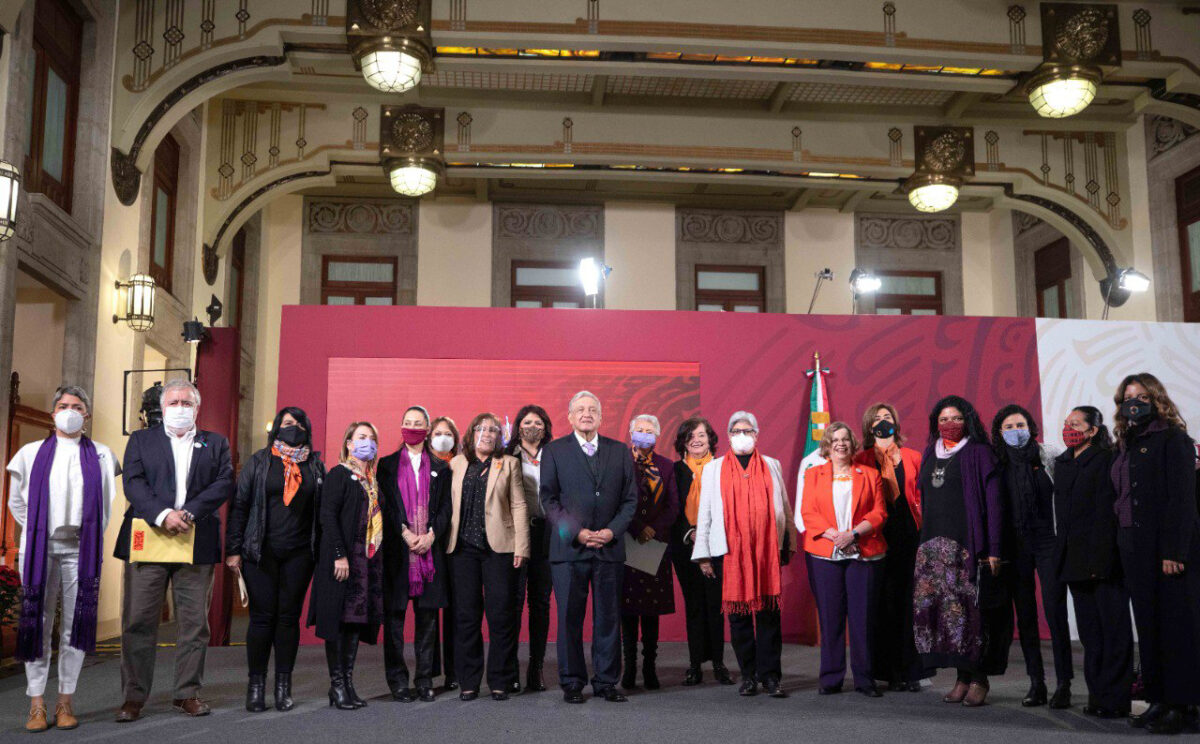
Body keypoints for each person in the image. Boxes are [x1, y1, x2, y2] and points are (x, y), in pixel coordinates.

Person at [115, 379, 234, 722]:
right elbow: (133, 483)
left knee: (195, 624)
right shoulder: (141, 440)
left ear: (197, 408)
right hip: (149, 538)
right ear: (163, 408)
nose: (180, 407)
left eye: (186, 402)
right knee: (138, 622)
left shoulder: (215, 443)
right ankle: (133, 698)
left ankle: (187, 694)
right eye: (174, 402)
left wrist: (189, 512)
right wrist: (164, 514)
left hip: (195, 540)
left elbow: (223, 482)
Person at [7, 386, 116, 732]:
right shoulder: (30, 453)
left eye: (77, 406)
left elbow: (106, 506)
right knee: (37, 622)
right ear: (53, 412)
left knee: (74, 626)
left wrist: (86, 537)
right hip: (41, 549)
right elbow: (15, 503)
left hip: (80, 550)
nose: (70, 410)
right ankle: (36, 704)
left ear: (86, 414)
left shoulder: (101, 454)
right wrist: (39, 531)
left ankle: (65, 701)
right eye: (63, 405)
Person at [1111, 373, 1200, 734]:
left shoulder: (1174, 439)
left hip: (1167, 551)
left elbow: (1182, 501)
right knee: (1147, 629)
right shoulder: (1126, 443)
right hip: (1133, 548)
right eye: (1128, 397)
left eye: (1142, 396)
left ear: (1156, 398)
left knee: (1175, 628)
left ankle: (1181, 704)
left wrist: (1174, 551)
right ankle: (1158, 699)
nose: (1135, 402)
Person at [540, 390, 638, 704]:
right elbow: (548, 500)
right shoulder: (554, 451)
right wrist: (578, 533)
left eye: (592, 409)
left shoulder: (619, 451)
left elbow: (630, 500)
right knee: (569, 617)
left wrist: (611, 531)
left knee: (608, 617)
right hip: (569, 550)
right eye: (580, 409)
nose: (586, 414)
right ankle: (571, 683)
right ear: (569, 417)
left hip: (609, 548)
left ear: (600, 415)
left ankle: (607, 682)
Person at [226, 407, 326, 712]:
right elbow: (240, 506)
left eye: (297, 424)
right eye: (286, 424)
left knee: (287, 618)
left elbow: (322, 514)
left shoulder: (315, 466)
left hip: (300, 554)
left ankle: (283, 686)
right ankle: (256, 686)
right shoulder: (259, 461)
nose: (292, 428)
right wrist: (233, 549)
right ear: (276, 429)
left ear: (306, 429)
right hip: (260, 552)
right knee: (261, 618)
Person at [693, 411, 796, 699]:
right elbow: (706, 513)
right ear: (728, 435)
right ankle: (749, 676)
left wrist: (788, 544)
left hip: (766, 552)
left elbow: (784, 508)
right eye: (737, 430)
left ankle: (771, 677)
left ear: (756, 434)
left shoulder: (772, 465)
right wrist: (703, 555)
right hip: (730, 554)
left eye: (747, 430)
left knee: (768, 617)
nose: (742, 435)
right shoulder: (713, 469)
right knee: (738, 618)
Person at [912, 395, 1004, 708]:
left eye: (956, 418)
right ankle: (961, 678)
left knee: (972, 613)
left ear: (968, 420)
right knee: (949, 618)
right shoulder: (929, 452)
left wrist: (993, 547)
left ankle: (979, 678)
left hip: (967, 548)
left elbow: (993, 505)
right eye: (943, 419)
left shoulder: (979, 453)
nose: (949, 424)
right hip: (934, 550)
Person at [1053, 406, 1132, 719]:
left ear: (1093, 430)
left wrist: (1107, 556)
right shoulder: (1062, 463)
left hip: (1105, 559)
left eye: (1076, 424)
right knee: (1090, 635)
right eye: (1067, 423)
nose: (1069, 428)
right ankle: (1098, 695)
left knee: (1114, 631)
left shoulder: (1107, 458)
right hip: (1074, 561)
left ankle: (1117, 699)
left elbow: (1110, 512)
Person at [992, 404, 1073, 708]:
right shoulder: (996, 462)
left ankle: (1063, 682)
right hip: (1015, 546)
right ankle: (1036, 682)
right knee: (1026, 617)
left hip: (1048, 541)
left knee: (1055, 612)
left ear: (1031, 427)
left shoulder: (1048, 454)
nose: (1016, 431)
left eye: (1020, 425)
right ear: (999, 432)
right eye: (1009, 427)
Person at [801, 422, 887, 698]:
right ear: (827, 444)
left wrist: (852, 534)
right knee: (830, 618)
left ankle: (864, 679)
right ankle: (830, 678)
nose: (841, 444)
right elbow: (808, 512)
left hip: (863, 552)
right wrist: (835, 537)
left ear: (853, 444)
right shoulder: (813, 474)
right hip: (825, 554)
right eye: (835, 439)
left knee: (862, 620)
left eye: (846, 439)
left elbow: (879, 512)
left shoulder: (870, 474)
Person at [447, 412, 529, 701]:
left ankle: (500, 679)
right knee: (466, 617)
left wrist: (522, 546)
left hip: (500, 549)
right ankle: (468, 681)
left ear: (500, 437)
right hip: (462, 550)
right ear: (470, 434)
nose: (487, 434)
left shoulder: (509, 464)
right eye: (481, 429)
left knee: (500, 616)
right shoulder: (456, 464)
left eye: (494, 430)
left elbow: (519, 505)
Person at [377, 406, 452, 702]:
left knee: (428, 622)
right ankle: (397, 680)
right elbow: (386, 506)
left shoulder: (441, 468)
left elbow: (446, 508)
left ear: (428, 428)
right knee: (394, 621)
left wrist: (431, 534)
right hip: (398, 554)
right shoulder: (386, 465)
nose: (412, 427)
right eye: (407, 422)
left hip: (429, 555)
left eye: (418, 423)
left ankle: (424, 679)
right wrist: (405, 534)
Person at [308, 421, 383, 710]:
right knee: (338, 622)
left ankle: (348, 684)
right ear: (349, 443)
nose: (368, 442)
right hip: (342, 558)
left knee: (354, 623)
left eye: (372, 438)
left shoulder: (373, 480)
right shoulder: (339, 474)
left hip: (366, 562)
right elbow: (327, 516)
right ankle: (336, 685)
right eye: (361, 437)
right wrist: (339, 555)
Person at [854, 402, 927, 692]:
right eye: (877, 419)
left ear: (896, 422)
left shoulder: (913, 456)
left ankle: (912, 671)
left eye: (888, 417)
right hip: (876, 538)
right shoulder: (861, 459)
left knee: (910, 605)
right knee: (882, 605)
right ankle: (887, 672)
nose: (883, 422)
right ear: (869, 427)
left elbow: (921, 495)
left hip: (909, 536)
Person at [670, 417, 733, 687]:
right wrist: (691, 533)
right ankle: (695, 665)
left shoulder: (722, 469)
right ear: (683, 442)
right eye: (691, 436)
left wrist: (707, 534)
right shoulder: (673, 470)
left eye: (702, 436)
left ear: (711, 440)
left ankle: (718, 663)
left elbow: (729, 506)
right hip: (685, 546)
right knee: (694, 605)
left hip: (718, 544)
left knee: (715, 606)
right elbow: (671, 508)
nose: (697, 440)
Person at [621, 414, 679, 691]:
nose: (644, 434)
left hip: (655, 544)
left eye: (649, 430)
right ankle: (629, 667)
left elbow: (673, 506)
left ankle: (649, 667)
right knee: (628, 610)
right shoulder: (620, 462)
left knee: (650, 611)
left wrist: (653, 529)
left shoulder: (667, 466)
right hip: (627, 542)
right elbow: (616, 500)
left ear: (657, 435)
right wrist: (636, 526)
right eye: (639, 430)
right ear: (631, 433)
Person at [505, 404, 554, 692]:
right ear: (518, 426)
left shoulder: (556, 454)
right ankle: (510, 669)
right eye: (526, 422)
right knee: (513, 603)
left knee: (541, 604)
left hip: (546, 534)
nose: (532, 426)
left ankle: (536, 669)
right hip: (515, 535)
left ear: (545, 427)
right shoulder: (507, 454)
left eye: (537, 422)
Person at [428, 415, 460, 691]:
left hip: (457, 546)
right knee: (429, 611)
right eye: (437, 432)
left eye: (448, 433)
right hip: (430, 544)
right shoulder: (423, 466)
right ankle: (428, 671)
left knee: (455, 612)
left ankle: (454, 671)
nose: (442, 437)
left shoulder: (461, 464)